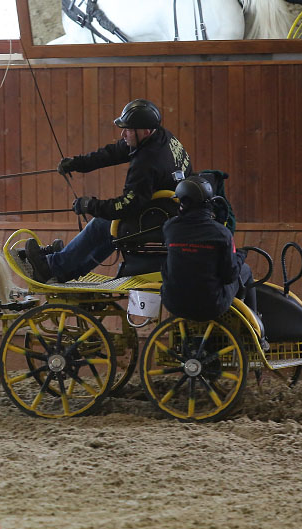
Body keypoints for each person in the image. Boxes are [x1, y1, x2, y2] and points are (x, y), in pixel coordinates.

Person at [25, 98, 192, 283]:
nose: (123, 134)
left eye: (128, 129)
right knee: (110, 226)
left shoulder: (147, 162)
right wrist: (78, 163)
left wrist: (90, 205)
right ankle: (67, 267)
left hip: (158, 216)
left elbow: (126, 206)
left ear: (144, 131)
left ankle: (53, 267)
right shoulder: (159, 136)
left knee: (104, 223)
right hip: (170, 209)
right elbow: (114, 152)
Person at [161, 176, 265, 348]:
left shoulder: (170, 228)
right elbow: (229, 274)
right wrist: (240, 255)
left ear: (184, 203)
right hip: (210, 305)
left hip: (174, 302)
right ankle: (254, 329)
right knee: (245, 270)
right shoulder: (222, 233)